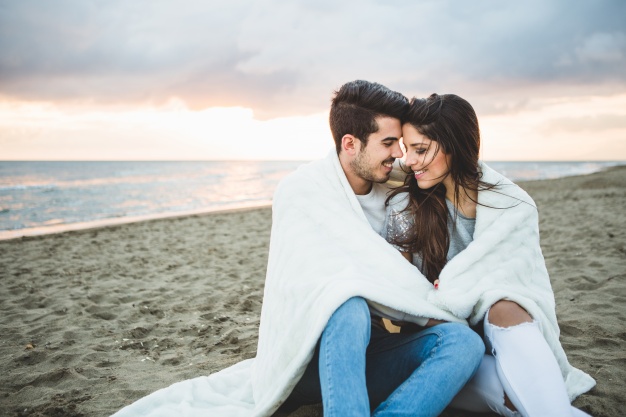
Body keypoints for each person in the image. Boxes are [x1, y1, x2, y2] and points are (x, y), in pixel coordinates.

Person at [276, 81, 485, 416]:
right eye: (389, 143)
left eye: (399, 143)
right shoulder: (303, 191)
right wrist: (427, 311)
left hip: (374, 354)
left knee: (464, 343)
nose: (400, 154)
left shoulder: (393, 189)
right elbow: (328, 284)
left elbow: (457, 172)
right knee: (346, 302)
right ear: (350, 143)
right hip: (311, 360)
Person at [384, 93, 596, 417]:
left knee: (505, 304)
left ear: (453, 145)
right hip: (445, 338)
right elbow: (401, 290)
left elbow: (522, 283)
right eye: (407, 149)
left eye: (421, 149)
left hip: (503, 333)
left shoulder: (512, 204)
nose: (409, 161)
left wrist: (452, 287)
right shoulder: (410, 203)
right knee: (519, 399)